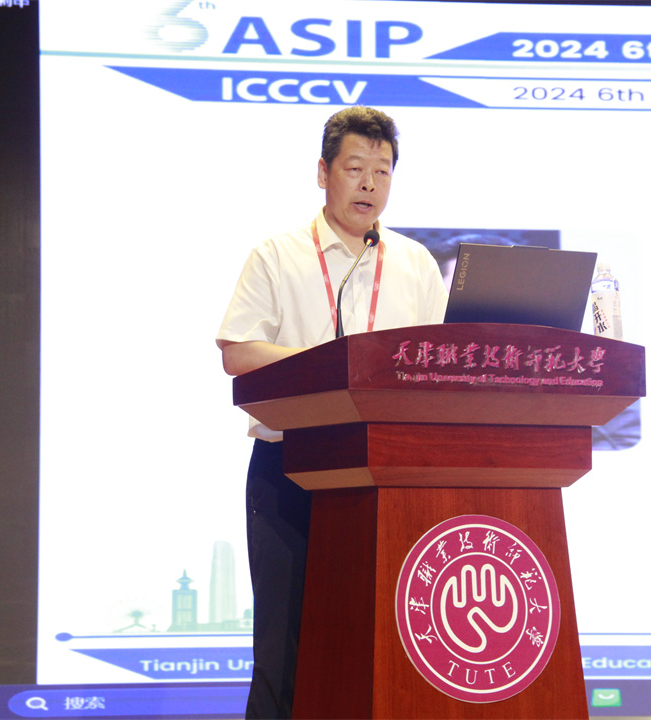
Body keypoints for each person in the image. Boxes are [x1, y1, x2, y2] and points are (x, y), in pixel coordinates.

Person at [215, 106, 447, 719]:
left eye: (382, 171)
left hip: (387, 475)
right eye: (354, 168)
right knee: (285, 651)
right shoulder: (277, 255)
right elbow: (238, 351)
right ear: (323, 173)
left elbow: (437, 363)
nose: (369, 184)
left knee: (378, 644)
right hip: (291, 467)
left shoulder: (416, 263)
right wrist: (332, 367)